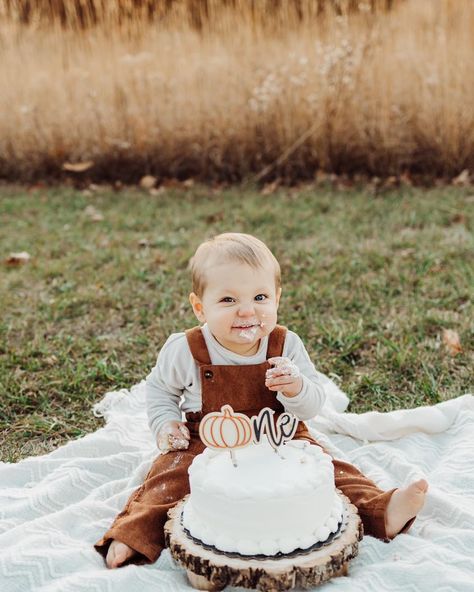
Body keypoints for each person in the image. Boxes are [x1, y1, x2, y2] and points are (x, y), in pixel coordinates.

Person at [95, 232, 428, 568]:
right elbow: (160, 390)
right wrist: (166, 423)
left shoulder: (286, 344)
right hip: (206, 435)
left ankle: (382, 510)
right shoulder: (186, 348)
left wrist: (295, 388)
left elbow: (312, 406)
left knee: (329, 471)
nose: (246, 311)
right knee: (168, 481)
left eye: (260, 297)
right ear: (200, 307)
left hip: (278, 431)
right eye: (228, 300)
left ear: (277, 299)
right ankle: (132, 534)